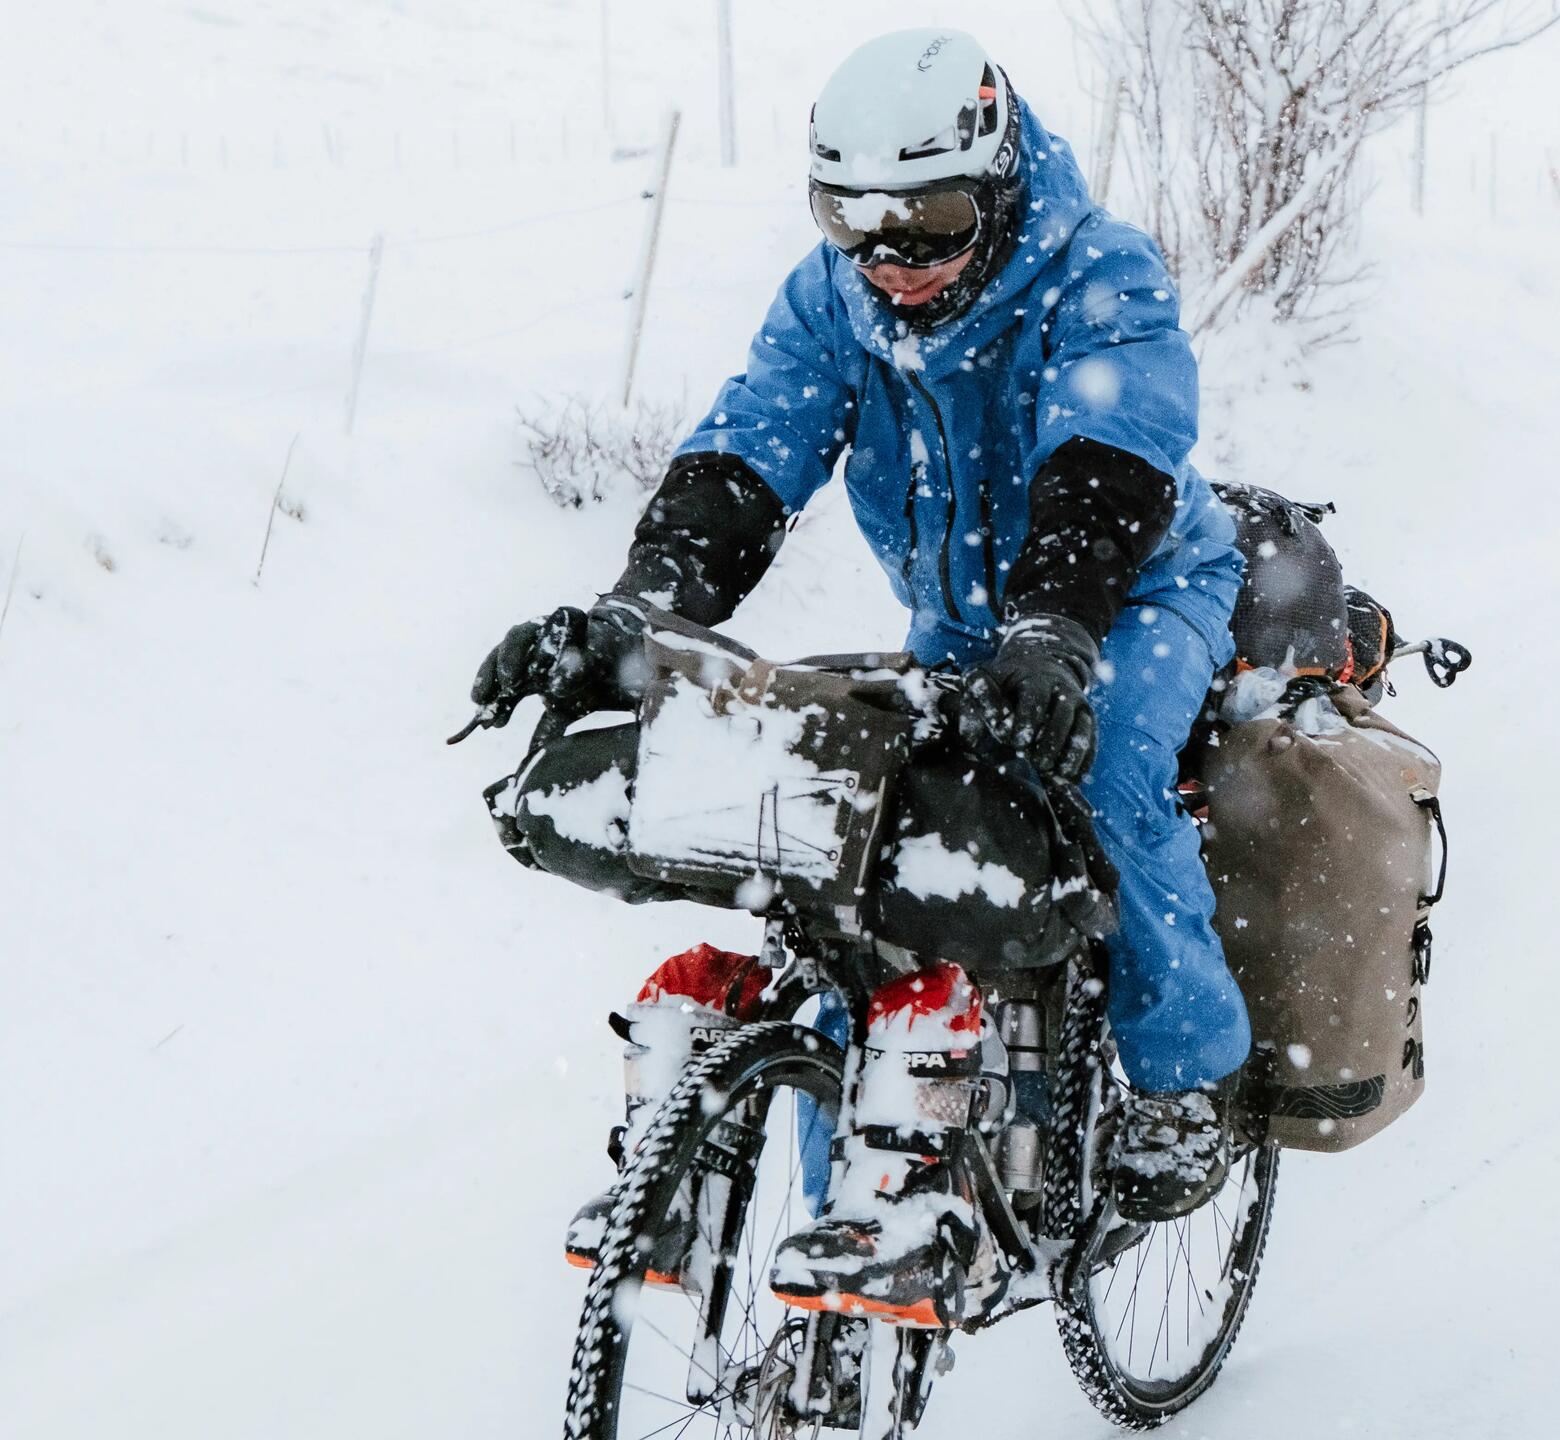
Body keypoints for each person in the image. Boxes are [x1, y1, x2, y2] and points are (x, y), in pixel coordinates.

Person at [473, 29, 1252, 1325]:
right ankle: (862, 1204)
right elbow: (750, 451)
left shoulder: (1098, 270)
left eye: (929, 220)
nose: (892, 258)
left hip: (1134, 596)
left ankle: (1185, 1082)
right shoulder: (835, 303)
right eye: (854, 221)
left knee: (1107, 775)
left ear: (997, 182)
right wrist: (639, 612)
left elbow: (1108, 460)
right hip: (967, 627)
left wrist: (1057, 631)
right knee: (854, 854)